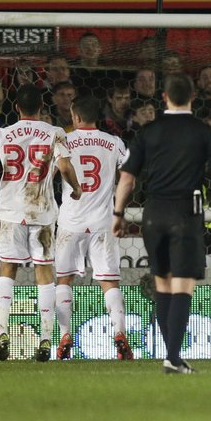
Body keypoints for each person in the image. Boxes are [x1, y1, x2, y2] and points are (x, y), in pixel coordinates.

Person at [112, 73, 211, 374]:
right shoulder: (202, 132)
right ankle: (173, 358)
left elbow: (126, 177)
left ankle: (171, 355)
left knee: (162, 284)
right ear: (193, 97)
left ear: (164, 97)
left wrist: (118, 213)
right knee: (182, 286)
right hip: (186, 213)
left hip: (153, 213)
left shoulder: (148, 131)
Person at [0, 85, 83, 363]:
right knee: (44, 273)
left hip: (11, 211)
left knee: (8, 269)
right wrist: (76, 188)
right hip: (43, 211)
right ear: (41, 108)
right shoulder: (55, 132)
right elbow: (65, 167)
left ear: (16, 108)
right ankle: (46, 338)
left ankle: (1, 332)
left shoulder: (2, 133)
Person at [53, 97, 134, 361]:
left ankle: (65, 335)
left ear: (75, 117)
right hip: (102, 221)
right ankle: (120, 334)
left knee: (64, 280)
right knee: (109, 282)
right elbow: (131, 175)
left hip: (70, 221)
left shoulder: (63, 140)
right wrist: (119, 205)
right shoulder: (114, 142)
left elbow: (51, 171)